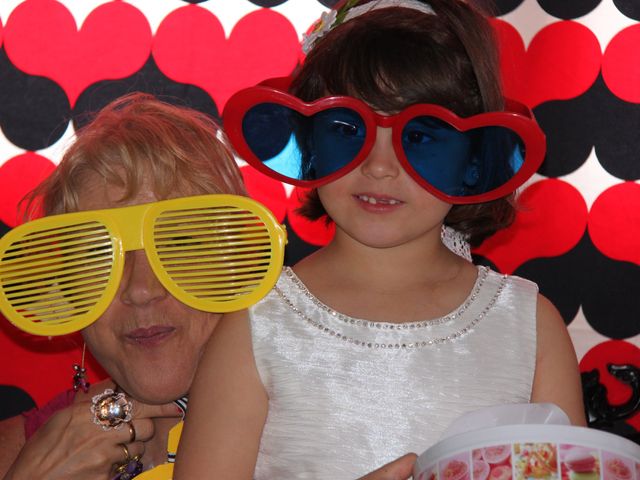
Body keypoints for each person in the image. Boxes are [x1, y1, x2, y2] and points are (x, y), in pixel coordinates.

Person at [173, 0, 587, 479]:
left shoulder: (530, 327)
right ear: (309, 142)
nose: (379, 165)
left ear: (473, 159)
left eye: (423, 137)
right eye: (348, 129)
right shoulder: (257, 328)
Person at [0, 92, 419, 480]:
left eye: (181, 246)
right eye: (99, 258)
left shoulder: (358, 421)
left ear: (238, 262)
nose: (141, 290)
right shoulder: (14, 450)